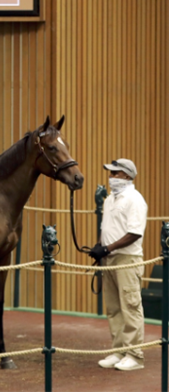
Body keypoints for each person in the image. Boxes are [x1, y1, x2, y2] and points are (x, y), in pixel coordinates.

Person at [89, 158, 147, 371]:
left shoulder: (135, 199)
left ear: (126, 175)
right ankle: (120, 350)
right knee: (113, 308)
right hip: (110, 259)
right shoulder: (110, 200)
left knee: (130, 306)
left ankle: (135, 355)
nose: (111, 177)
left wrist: (108, 248)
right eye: (111, 173)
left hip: (127, 259)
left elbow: (134, 233)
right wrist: (100, 246)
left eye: (115, 173)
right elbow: (109, 228)